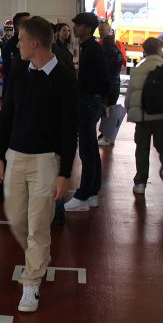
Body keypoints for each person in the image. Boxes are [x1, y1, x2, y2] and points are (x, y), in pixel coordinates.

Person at [0, 16, 78, 313]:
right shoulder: (18, 71)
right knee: (16, 218)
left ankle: (32, 282)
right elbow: (7, 116)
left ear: (35, 43)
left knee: (38, 225)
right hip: (15, 156)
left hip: (46, 161)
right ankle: (39, 255)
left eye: (21, 39)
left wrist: (64, 173)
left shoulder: (65, 79)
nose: (17, 43)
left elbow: (70, 130)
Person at [125, 36, 163, 196]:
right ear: (159, 50)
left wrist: (129, 109)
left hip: (142, 116)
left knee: (142, 149)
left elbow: (129, 95)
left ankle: (140, 183)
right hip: (162, 115)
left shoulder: (137, 69)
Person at [64, 12, 109, 212]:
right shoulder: (89, 48)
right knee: (90, 149)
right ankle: (91, 193)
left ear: (88, 29)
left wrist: (95, 97)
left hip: (88, 101)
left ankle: (83, 195)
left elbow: (102, 78)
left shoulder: (93, 50)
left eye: (78, 25)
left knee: (87, 150)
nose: (74, 28)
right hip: (91, 100)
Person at [0, 12, 30, 93]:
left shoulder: (32, 44)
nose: (30, 26)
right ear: (17, 26)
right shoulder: (9, 45)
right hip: (14, 90)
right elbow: (8, 73)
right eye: (26, 23)